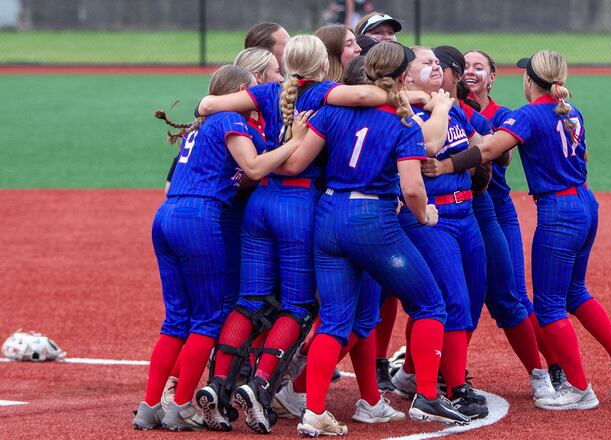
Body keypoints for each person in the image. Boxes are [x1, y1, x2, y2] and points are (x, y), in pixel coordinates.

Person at [193, 35, 419, 434]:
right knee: (296, 307)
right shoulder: (328, 92)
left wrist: (205, 104)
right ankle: (260, 386)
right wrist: (426, 100)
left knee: (248, 301)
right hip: (299, 207)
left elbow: (209, 105)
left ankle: (217, 385)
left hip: (260, 203)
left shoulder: (267, 91)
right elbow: (371, 96)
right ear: (322, 65)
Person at [422, 50, 611, 410]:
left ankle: (579, 389)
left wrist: (445, 165)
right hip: (586, 203)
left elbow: (492, 148)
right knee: (575, 291)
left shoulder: (528, 115)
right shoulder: (571, 112)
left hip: (558, 212)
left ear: (529, 81)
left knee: (549, 305)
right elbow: (581, 157)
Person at [279, 41, 470, 435]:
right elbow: (413, 188)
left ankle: (314, 411)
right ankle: (428, 397)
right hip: (372, 221)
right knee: (431, 304)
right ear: (401, 78)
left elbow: (296, 162)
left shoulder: (332, 111)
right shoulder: (401, 121)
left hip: (329, 217)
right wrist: (425, 214)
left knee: (333, 321)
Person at [131, 64, 311, 431]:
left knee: (175, 319)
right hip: (199, 218)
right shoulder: (232, 121)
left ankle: (150, 405)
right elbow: (256, 167)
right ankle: (181, 406)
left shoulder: (200, 128)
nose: (267, 87)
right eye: (258, 84)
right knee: (208, 318)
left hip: (167, 214)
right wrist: (295, 142)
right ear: (242, 89)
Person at [388, 46, 488, 420]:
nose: (435, 67)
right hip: (432, 217)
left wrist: (457, 162)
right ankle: (455, 387)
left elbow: (485, 147)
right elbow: (425, 146)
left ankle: (423, 373)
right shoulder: (405, 111)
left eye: (436, 62)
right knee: (454, 300)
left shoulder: (452, 106)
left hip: (466, 214)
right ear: (406, 75)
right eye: (425, 62)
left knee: (473, 299)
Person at [464, 49, 567, 390]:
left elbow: (502, 157)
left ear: (492, 77)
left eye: (479, 67)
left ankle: (554, 366)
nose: (470, 71)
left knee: (512, 296)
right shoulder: (443, 110)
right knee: (460, 294)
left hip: (495, 209)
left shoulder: (503, 115)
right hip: (458, 210)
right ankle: (429, 372)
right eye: (464, 66)